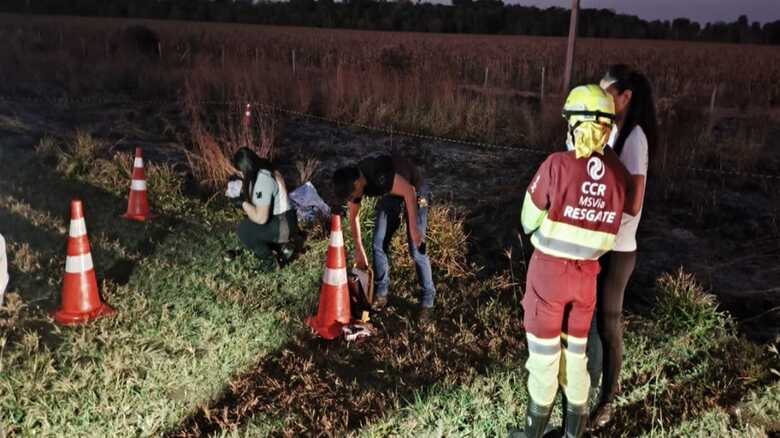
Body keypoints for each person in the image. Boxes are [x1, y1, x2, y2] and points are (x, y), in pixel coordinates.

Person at [511, 84, 629, 438]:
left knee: (545, 357)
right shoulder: (619, 175)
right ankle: (573, 433)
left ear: (578, 124)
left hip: (549, 274)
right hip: (587, 277)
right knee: (576, 356)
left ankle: (532, 433)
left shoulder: (556, 165)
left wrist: (541, 233)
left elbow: (528, 219)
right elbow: (611, 231)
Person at [587, 65, 658, 429]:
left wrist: (603, 153)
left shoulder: (635, 139)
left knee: (609, 325)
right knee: (593, 320)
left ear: (626, 97)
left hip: (619, 248)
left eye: (607, 94)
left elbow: (633, 203)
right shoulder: (616, 132)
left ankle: (608, 402)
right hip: (602, 242)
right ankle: (589, 389)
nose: (601, 100)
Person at [332, 153, 435, 322]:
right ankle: (381, 293)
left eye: (351, 195)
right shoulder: (354, 183)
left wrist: (415, 229)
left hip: (416, 190)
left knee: (417, 250)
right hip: (391, 192)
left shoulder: (376, 173)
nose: (351, 200)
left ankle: (428, 302)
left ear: (357, 183)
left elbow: (410, 192)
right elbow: (353, 217)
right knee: (378, 243)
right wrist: (359, 250)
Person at [229, 147, 298, 271]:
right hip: (285, 219)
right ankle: (282, 248)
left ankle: (270, 262)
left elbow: (261, 218)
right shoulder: (265, 168)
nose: (241, 175)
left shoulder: (263, 179)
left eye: (240, 172)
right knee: (250, 223)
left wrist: (242, 203)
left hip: (283, 224)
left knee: (244, 229)